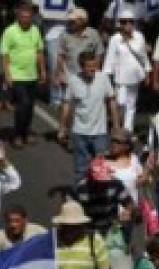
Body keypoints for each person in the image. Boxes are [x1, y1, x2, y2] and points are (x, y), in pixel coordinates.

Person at [58, 50, 118, 186]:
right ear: (81, 67)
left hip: (100, 132)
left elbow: (112, 101)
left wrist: (116, 126)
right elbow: (67, 104)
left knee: (101, 166)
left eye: (94, 66)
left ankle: (101, 194)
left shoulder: (103, 78)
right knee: (81, 168)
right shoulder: (73, 81)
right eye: (89, 66)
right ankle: (81, 195)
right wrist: (62, 128)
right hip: (80, 132)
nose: (92, 69)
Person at [0, 2, 46, 149]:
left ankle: (25, 132)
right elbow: (5, 55)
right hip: (17, 75)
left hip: (31, 75)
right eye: (23, 16)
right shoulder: (10, 31)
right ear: (18, 16)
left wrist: (42, 71)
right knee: (23, 104)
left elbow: (39, 52)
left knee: (30, 106)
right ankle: (17, 134)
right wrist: (7, 74)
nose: (26, 19)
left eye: (29, 17)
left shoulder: (35, 30)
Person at [102, 8, 150, 135]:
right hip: (120, 77)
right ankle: (117, 125)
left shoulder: (139, 36)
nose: (127, 24)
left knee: (131, 104)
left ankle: (128, 129)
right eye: (124, 22)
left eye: (130, 21)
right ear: (119, 23)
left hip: (135, 76)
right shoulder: (115, 39)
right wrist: (106, 75)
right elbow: (110, 58)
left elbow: (143, 55)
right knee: (120, 102)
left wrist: (147, 72)